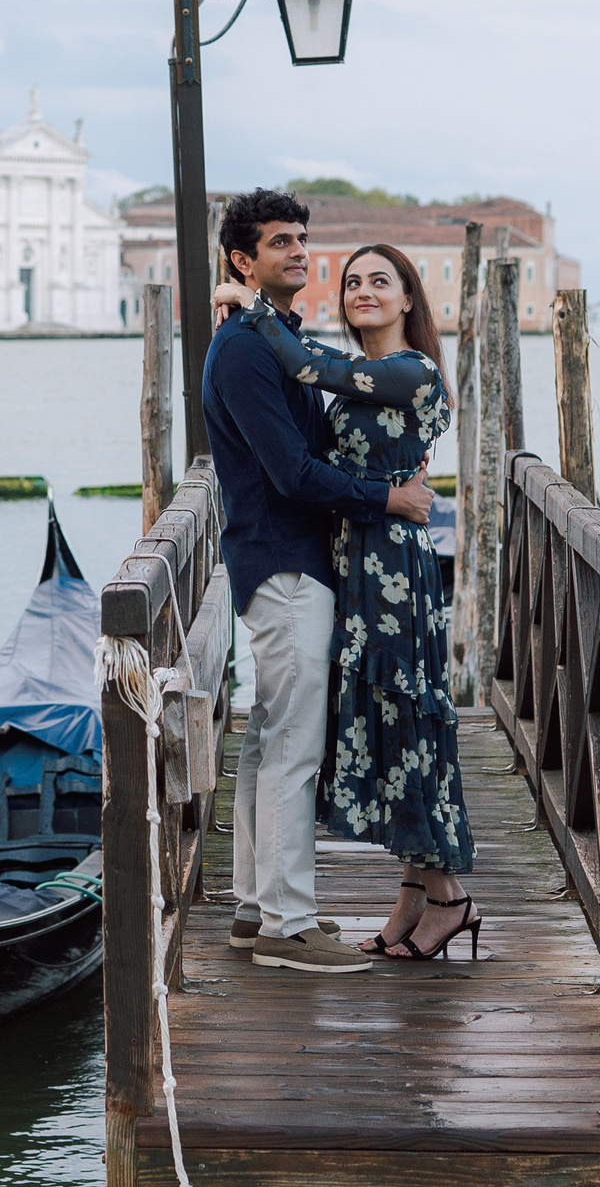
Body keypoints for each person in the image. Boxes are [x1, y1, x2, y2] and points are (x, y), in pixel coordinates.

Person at [215, 240, 479, 962]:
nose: (363, 290)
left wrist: (250, 308)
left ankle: (451, 897)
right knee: (386, 726)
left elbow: (309, 366)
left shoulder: (410, 371)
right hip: (353, 566)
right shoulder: (361, 378)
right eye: (354, 281)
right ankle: (413, 893)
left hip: (393, 572)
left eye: (379, 281)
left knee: (408, 724)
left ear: (407, 300)